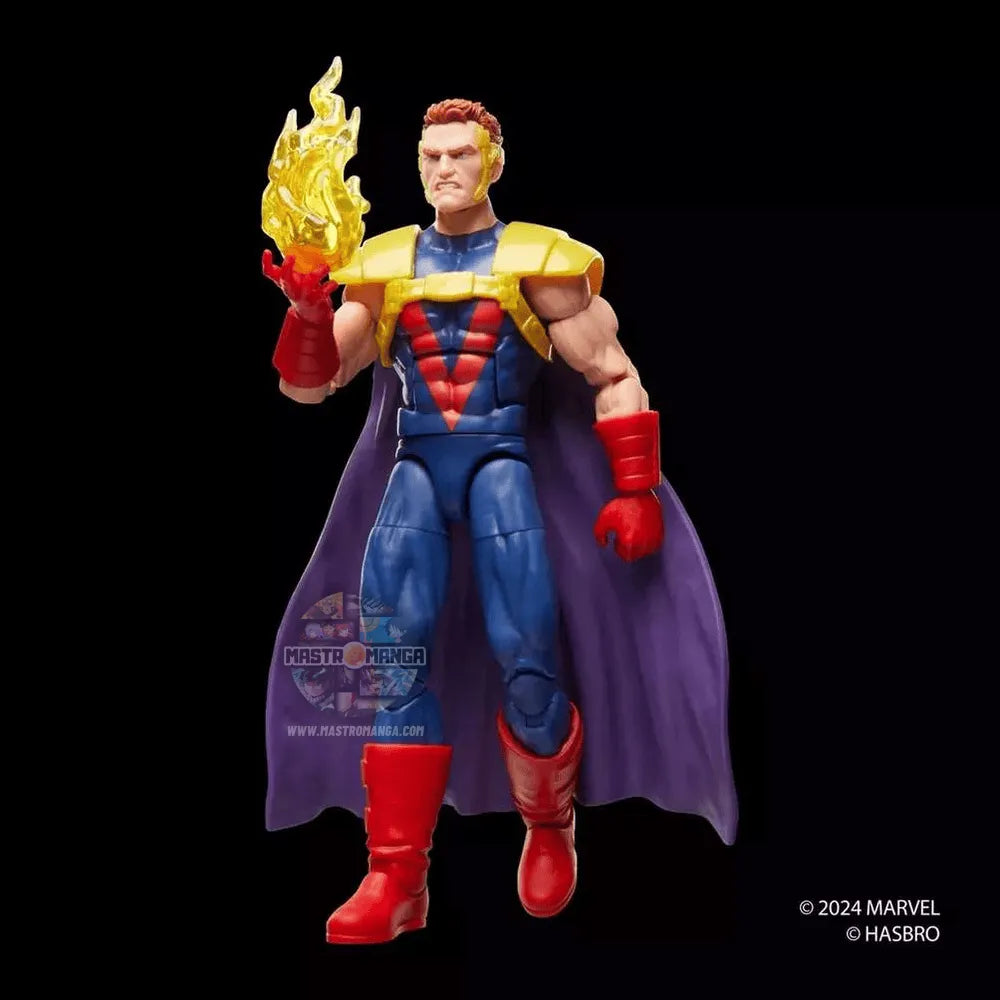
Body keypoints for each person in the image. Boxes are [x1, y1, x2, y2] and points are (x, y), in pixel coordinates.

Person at [264, 98, 737, 944]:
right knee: (394, 663)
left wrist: (635, 487)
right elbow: (313, 384)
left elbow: (614, 373)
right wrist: (304, 313)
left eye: (460, 154)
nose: (444, 169)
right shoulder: (384, 263)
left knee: (529, 658)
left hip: (502, 470)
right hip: (415, 470)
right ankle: (396, 874)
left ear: (492, 162)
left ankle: (550, 823)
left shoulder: (539, 258)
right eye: (431, 156)